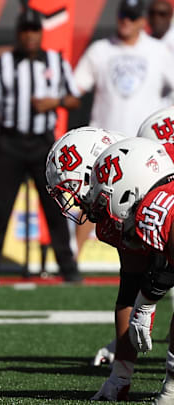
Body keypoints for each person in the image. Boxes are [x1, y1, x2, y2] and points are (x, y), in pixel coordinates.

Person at [0, 8, 82, 284]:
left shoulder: (56, 61)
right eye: (25, 31)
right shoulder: (3, 63)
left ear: (41, 33)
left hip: (43, 145)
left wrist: (53, 103)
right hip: (10, 142)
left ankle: (68, 269)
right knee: (0, 208)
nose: (30, 36)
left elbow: (74, 98)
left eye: (35, 30)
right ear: (19, 34)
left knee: (55, 209)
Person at [74, 0, 174, 256]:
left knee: (153, 205)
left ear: (142, 20)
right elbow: (75, 88)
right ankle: (74, 258)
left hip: (145, 145)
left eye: (131, 17)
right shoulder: (100, 50)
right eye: (122, 16)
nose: (125, 22)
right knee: (92, 201)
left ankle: (158, 265)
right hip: (105, 142)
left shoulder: (159, 51)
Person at [85, 136, 174, 402]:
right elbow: (134, 284)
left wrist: (146, 302)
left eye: (101, 196)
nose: (93, 204)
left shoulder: (154, 206)